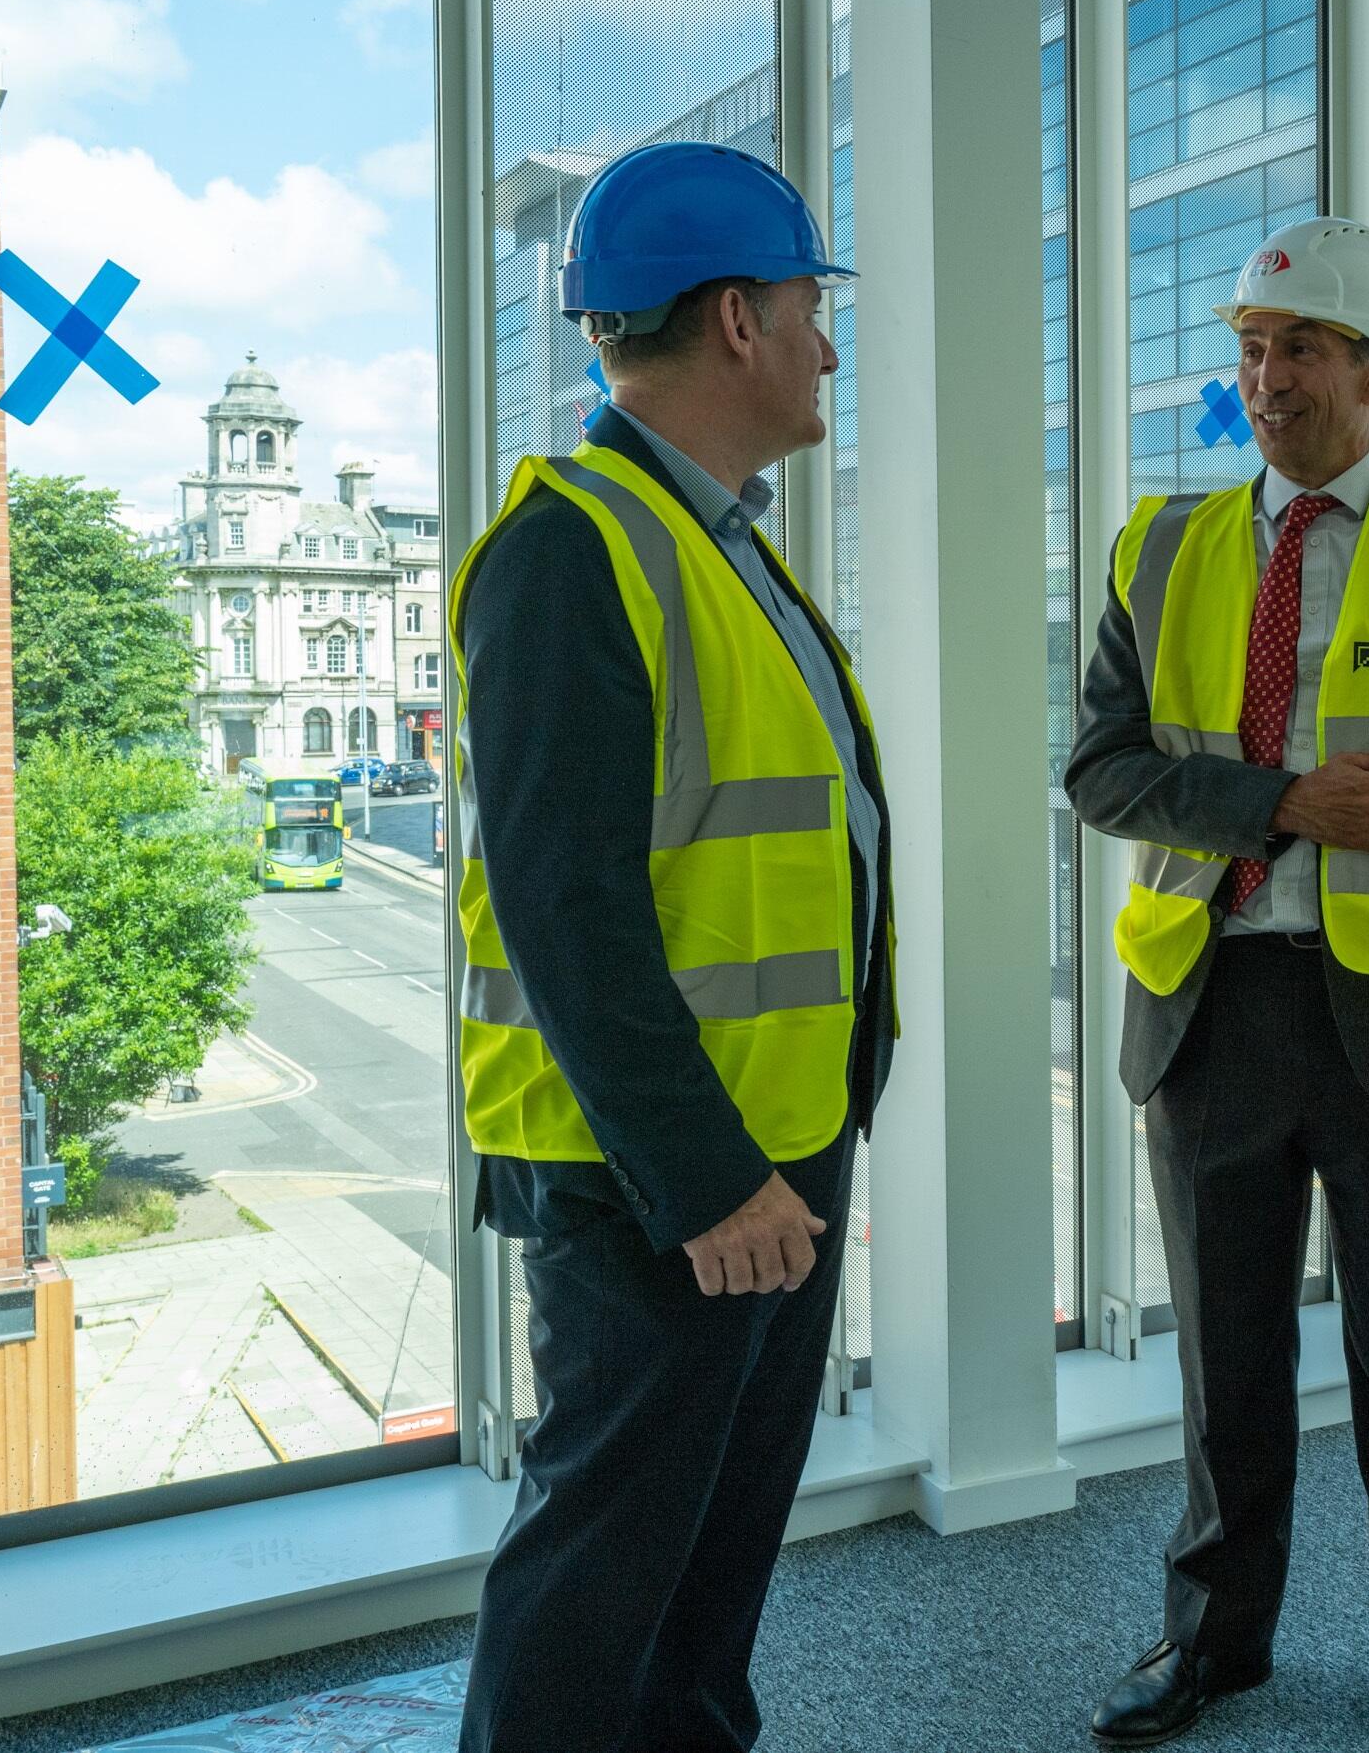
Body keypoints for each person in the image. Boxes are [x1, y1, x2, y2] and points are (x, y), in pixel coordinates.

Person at [1067, 217, 1369, 1753]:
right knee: (1227, 1361)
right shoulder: (1160, 544)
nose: (1264, 378)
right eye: (1251, 348)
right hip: (1211, 1003)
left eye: (1298, 349)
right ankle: (1214, 1640)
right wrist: (1280, 800)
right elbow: (1101, 769)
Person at [449, 141, 892, 1753]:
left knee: (706, 1581)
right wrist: (705, 1177)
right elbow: (570, 914)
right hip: (667, 1183)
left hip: (771, 1146)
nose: (825, 343)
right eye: (807, 307)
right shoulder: (572, 552)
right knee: (599, 1579)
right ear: (732, 322)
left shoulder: (712, 538)